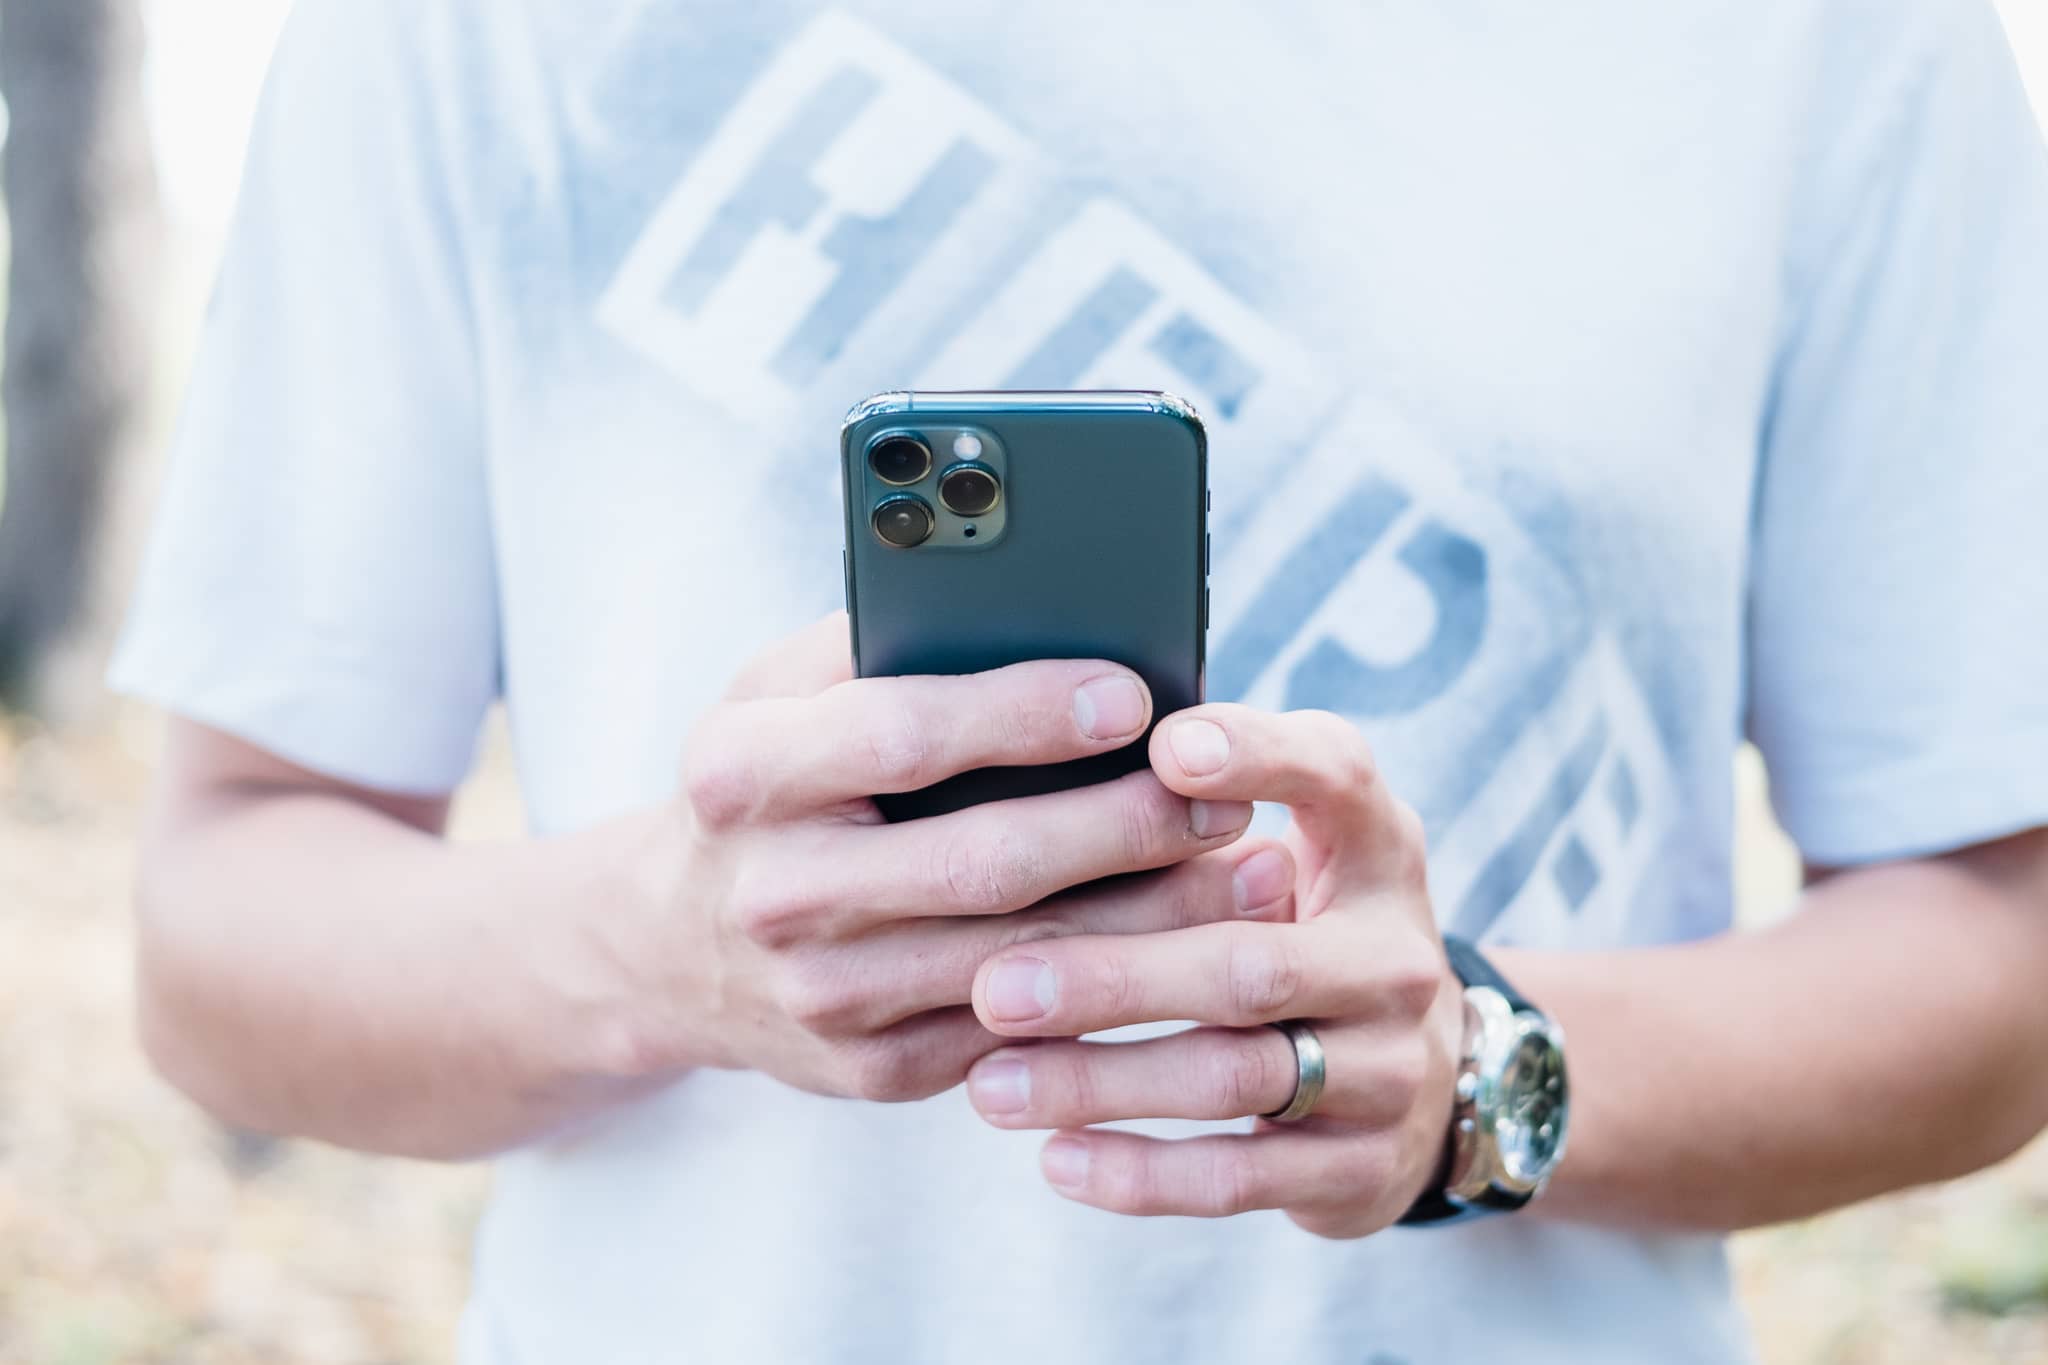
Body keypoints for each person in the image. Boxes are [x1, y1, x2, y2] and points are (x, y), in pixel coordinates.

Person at [114, 0, 2048, 1361]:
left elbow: (1997, 947)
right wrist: (660, 944)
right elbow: (217, 937)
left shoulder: (1839, 40)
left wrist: (1469, 1070)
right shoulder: (465, 30)